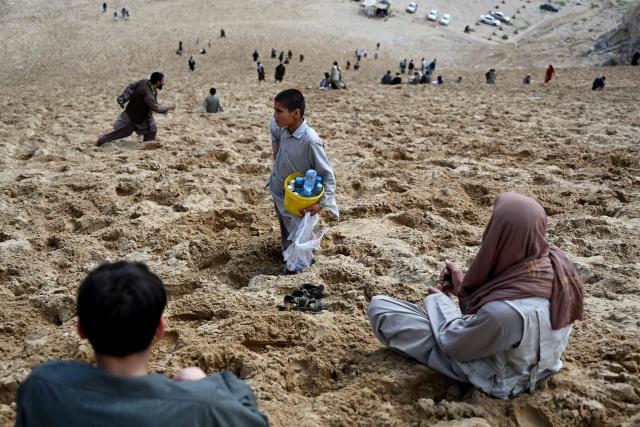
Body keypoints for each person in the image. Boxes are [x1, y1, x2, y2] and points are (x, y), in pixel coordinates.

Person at [368, 192, 584, 400]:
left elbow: (453, 343)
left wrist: (440, 302)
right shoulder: (559, 266)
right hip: (541, 363)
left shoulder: (504, 313)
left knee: (382, 308)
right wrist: (463, 289)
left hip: (502, 379)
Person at [15, 261, 269, 427]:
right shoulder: (204, 407)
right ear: (160, 329)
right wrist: (202, 384)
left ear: (81, 330)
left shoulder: (42, 386)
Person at [269, 89, 339, 268]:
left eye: (279, 111)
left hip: (299, 201)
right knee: (286, 228)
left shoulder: (310, 140)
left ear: (296, 114)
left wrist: (320, 204)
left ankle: (299, 267)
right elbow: (274, 133)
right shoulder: (285, 130)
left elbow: (328, 177)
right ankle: (288, 255)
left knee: (299, 232)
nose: (275, 115)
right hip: (281, 192)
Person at [96, 72, 174, 146]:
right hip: (135, 117)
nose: (163, 83)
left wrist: (123, 98)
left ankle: (147, 144)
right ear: (157, 82)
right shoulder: (147, 95)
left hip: (142, 115)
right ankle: (102, 139)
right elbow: (156, 108)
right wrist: (169, 107)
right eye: (162, 81)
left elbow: (132, 86)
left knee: (152, 130)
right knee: (123, 132)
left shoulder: (144, 82)